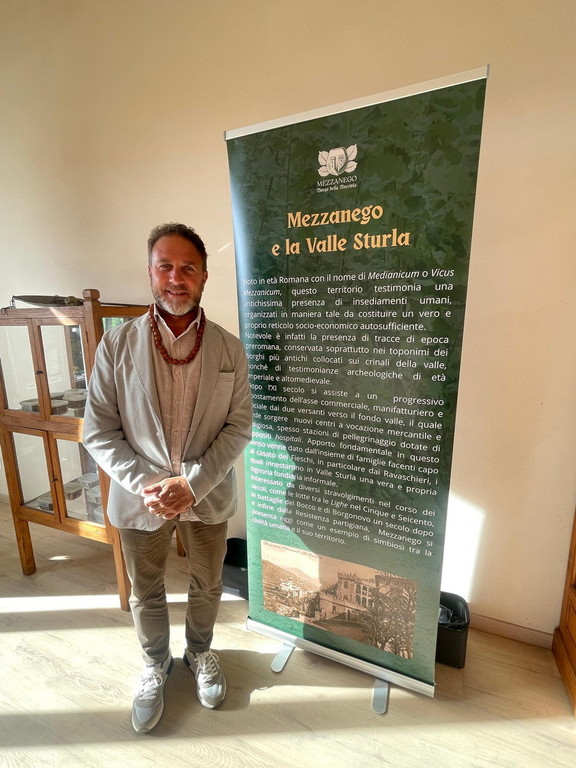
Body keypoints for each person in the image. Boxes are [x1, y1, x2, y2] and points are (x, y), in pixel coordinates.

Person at [83, 222, 252, 733]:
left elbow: (239, 426)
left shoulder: (229, 348)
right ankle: (155, 663)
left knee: (208, 582)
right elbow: (98, 431)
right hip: (142, 498)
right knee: (146, 588)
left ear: (204, 276)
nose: (176, 278)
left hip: (208, 493)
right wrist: (154, 485)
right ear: (151, 272)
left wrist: (191, 485)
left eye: (188, 268)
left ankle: (199, 652)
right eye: (165, 267)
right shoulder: (116, 345)